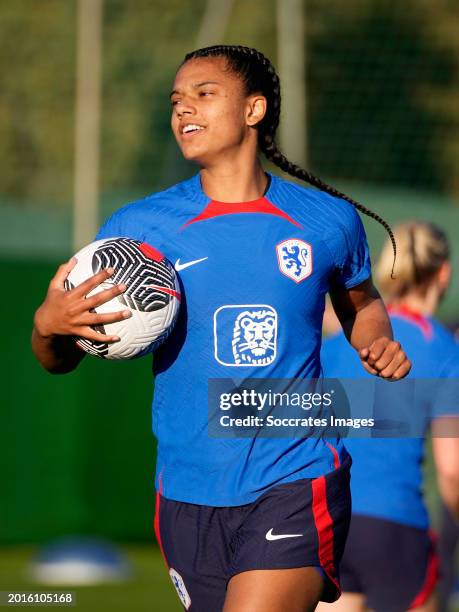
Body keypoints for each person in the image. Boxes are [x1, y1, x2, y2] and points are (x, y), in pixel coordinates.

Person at [31, 45, 411, 612]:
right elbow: (58, 358)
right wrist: (48, 325)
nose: (184, 109)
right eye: (176, 100)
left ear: (254, 110)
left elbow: (361, 302)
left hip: (295, 475)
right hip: (186, 493)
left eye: (204, 94)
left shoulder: (326, 221)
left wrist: (374, 338)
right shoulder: (137, 229)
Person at [319, 221, 459, 612]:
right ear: (443, 273)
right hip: (397, 532)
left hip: (332, 524)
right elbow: (451, 470)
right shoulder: (443, 348)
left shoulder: (340, 341)